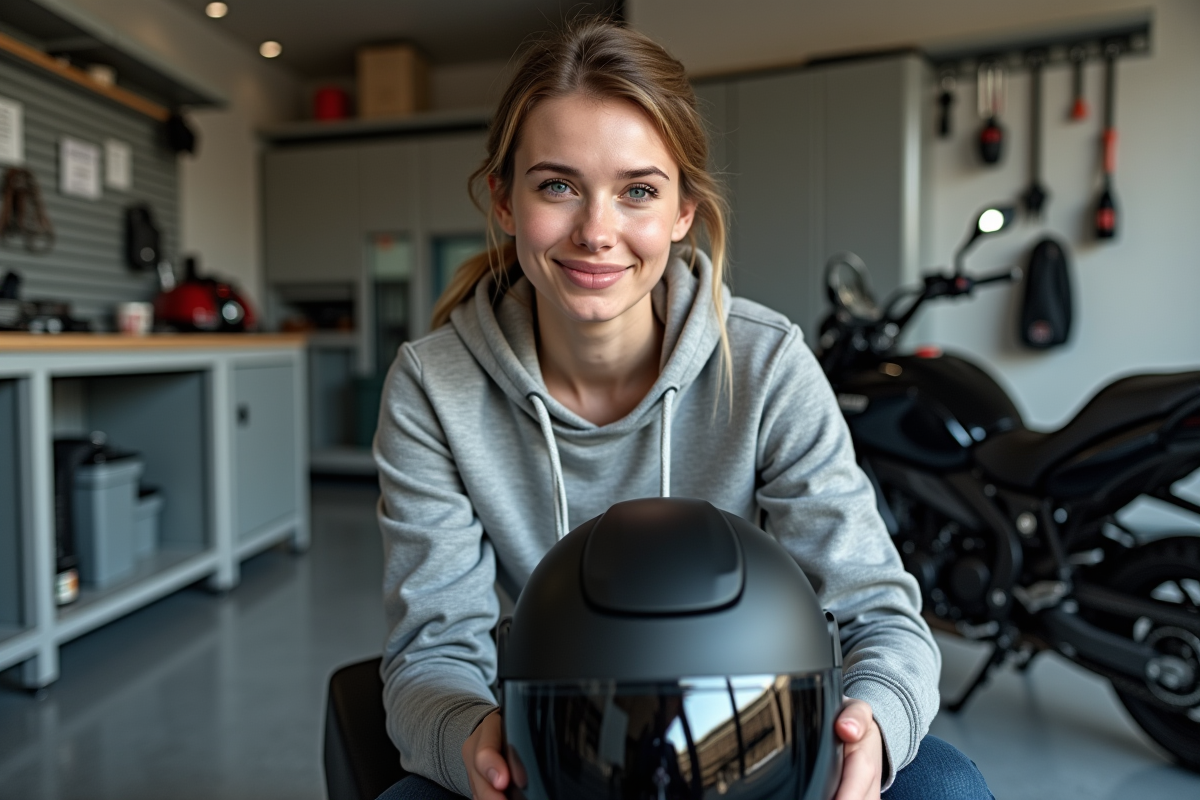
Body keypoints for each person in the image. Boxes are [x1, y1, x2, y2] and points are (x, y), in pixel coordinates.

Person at [374, 17, 992, 800]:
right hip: (553, 743)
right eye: (557, 185)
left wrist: (873, 723)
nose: (597, 232)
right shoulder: (433, 385)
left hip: (752, 731)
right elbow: (433, 649)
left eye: (638, 191)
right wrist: (470, 740)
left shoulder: (767, 361)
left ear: (682, 212)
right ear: (503, 200)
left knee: (943, 785)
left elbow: (877, 609)